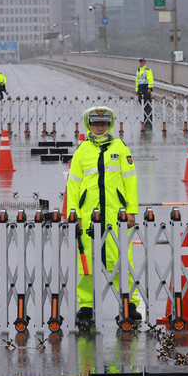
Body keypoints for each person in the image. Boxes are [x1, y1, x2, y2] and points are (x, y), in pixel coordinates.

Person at [66, 106, 142, 325]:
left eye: (104, 124)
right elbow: (73, 184)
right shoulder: (82, 150)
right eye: (96, 124)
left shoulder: (120, 147)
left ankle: (129, 304)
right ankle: (87, 306)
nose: (100, 127)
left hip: (116, 215)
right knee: (87, 262)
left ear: (110, 125)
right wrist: (75, 214)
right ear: (88, 125)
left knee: (122, 260)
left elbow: (130, 180)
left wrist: (132, 210)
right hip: (89, 215)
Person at [136, 58, 154, 129]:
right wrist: (137, 89)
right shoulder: (138, 70)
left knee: (147, 105)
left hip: (146, 89)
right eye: (140, 62)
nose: (141, 63)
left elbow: (150, 79)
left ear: (145, 63)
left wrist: (150, 88)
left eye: (142, 62)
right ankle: (145, 118)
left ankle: (149, 119)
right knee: (142, 104)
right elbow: (137, 80)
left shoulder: (148, 70)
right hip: (140, 89)